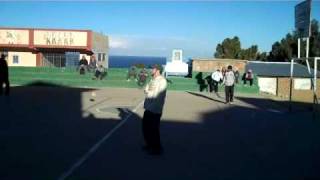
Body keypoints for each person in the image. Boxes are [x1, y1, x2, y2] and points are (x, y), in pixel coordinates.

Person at [142, 64, 167, 155]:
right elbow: (146, 89)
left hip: (155, 109)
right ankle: (149, 144)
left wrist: (149, 93)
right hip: (148, 107)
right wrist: (148, 91)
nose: (151, 70)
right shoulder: (152, 79)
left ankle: (157, 148)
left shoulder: (162, 81)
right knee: (146, 128)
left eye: (153, 68)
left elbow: (159, 96)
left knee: (154, 129)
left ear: (158, 70)